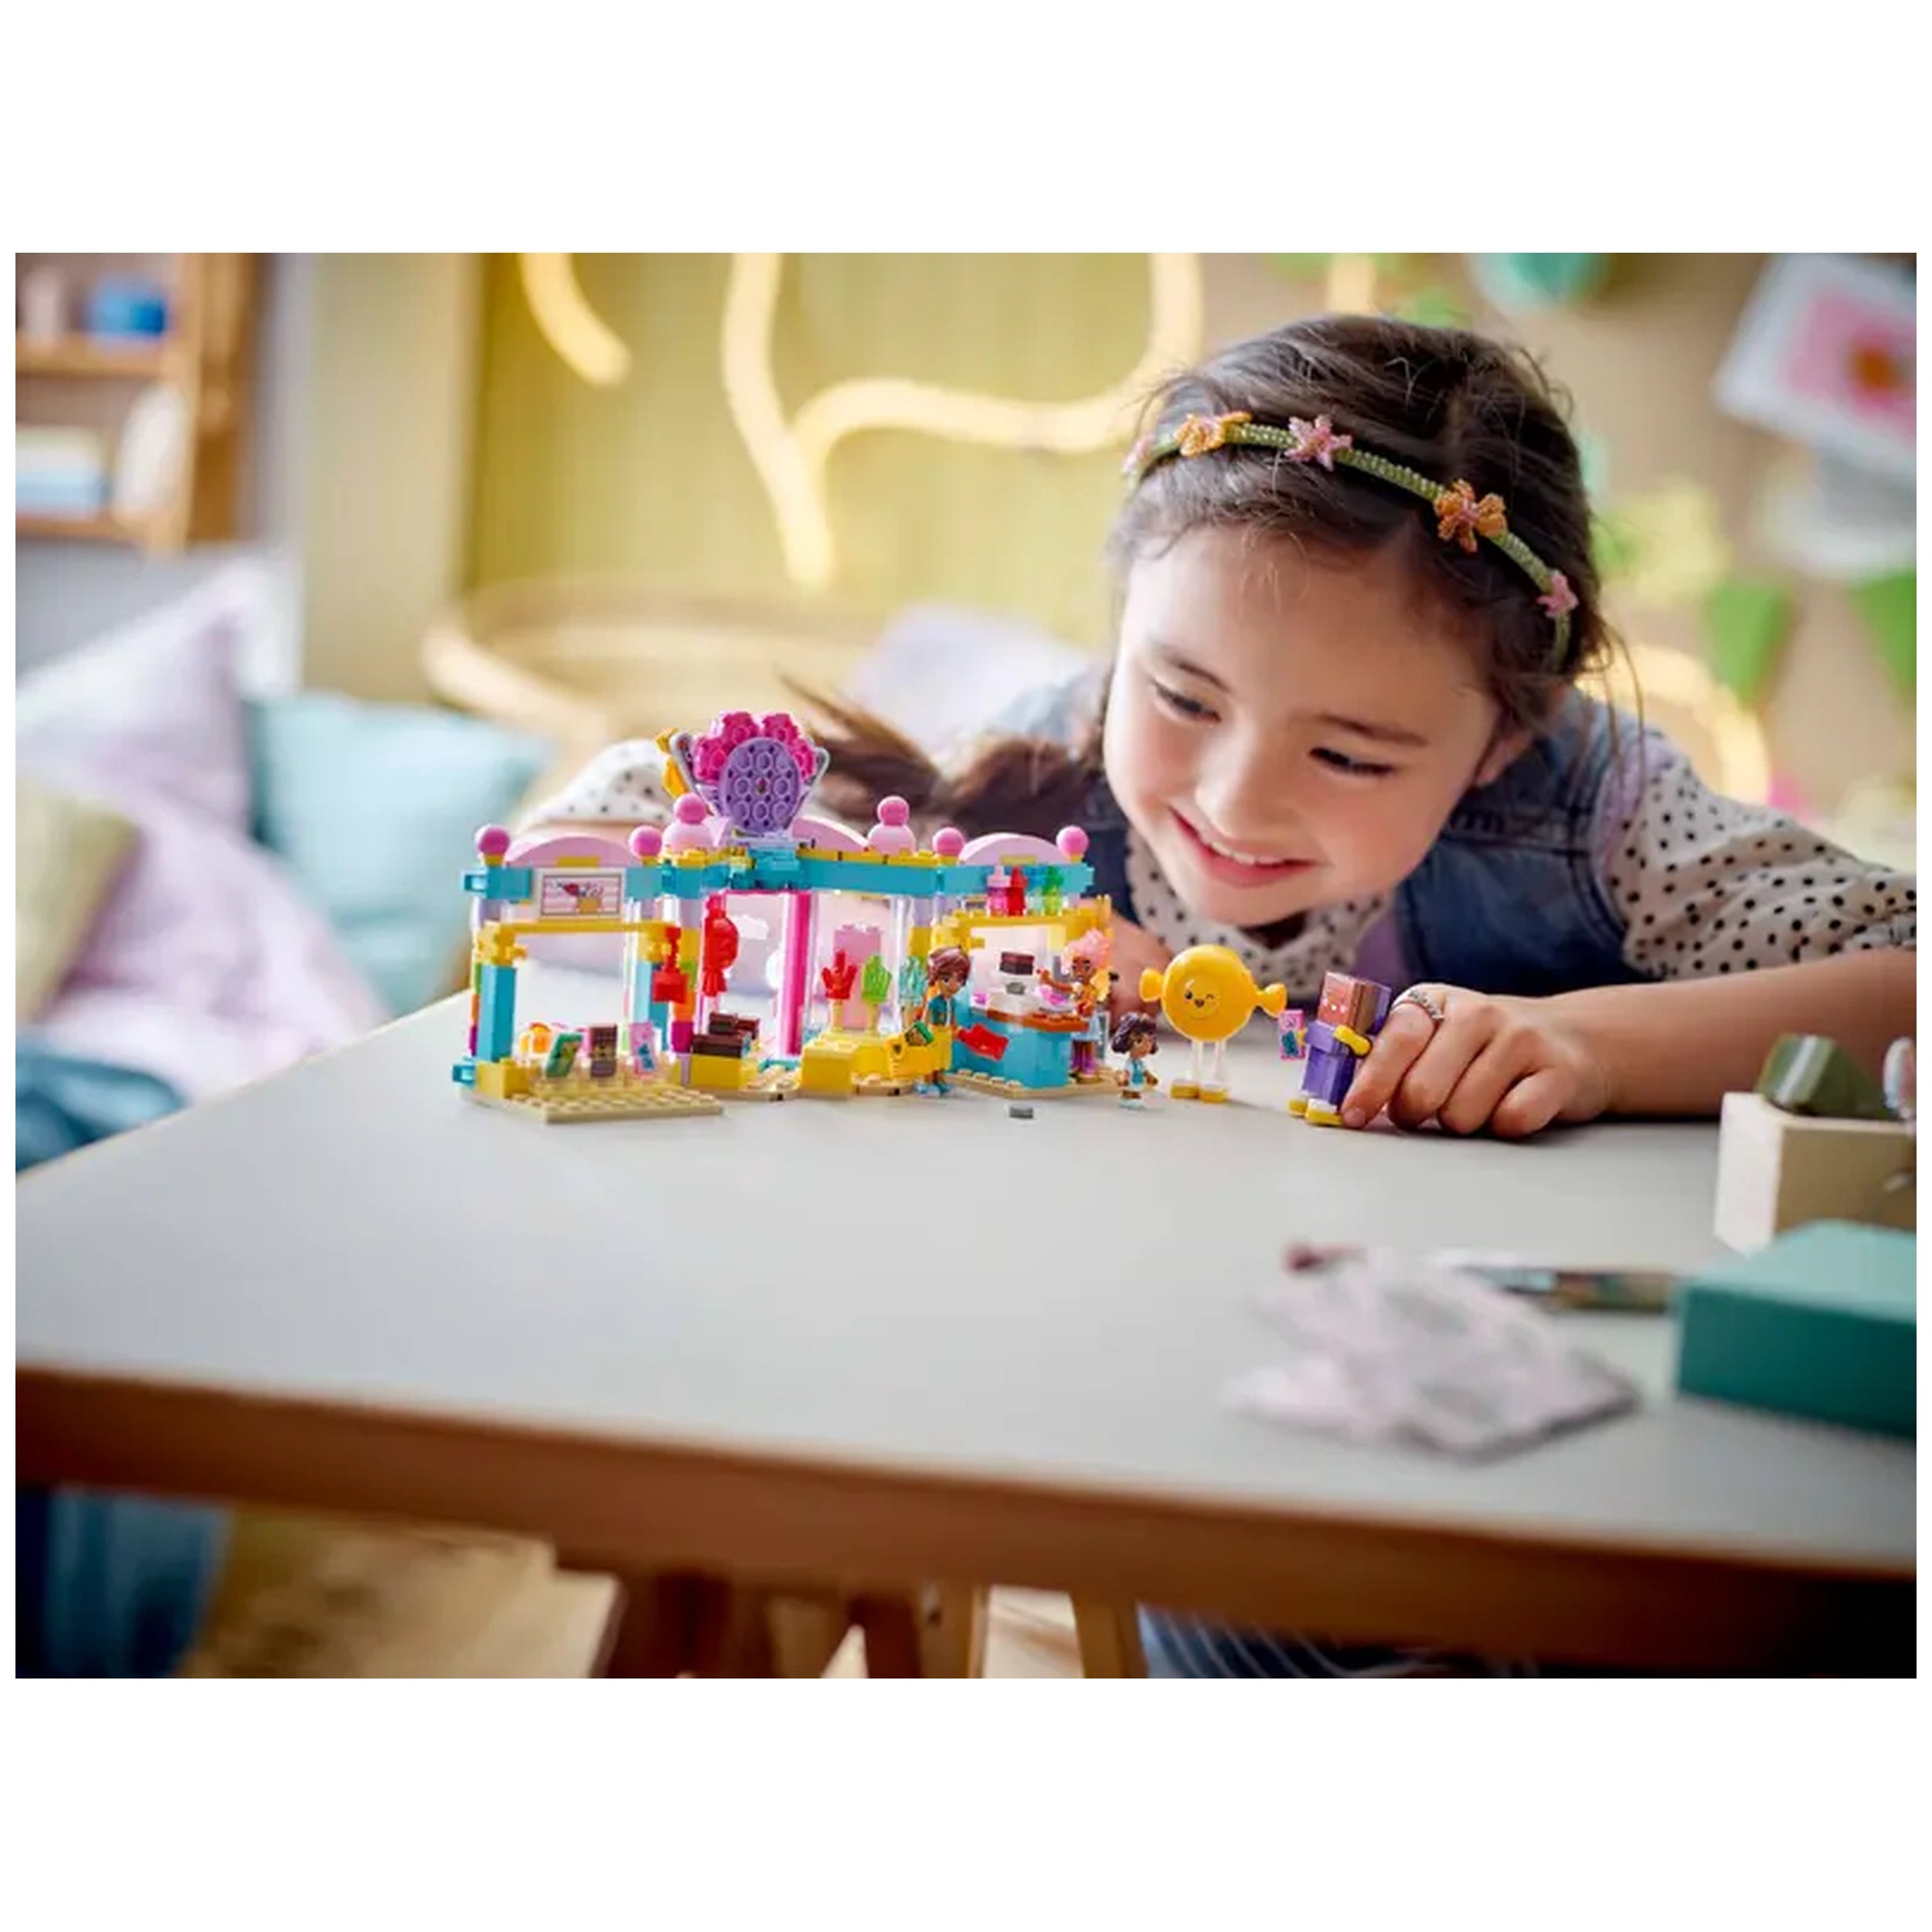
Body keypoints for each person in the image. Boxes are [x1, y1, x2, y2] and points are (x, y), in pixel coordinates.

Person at [801, 314, 1915, 1675]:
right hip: (1184, 1431)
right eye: (1182, 696)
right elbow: (659, 841)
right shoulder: (1043, 758)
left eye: (1348, 753)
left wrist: (1592, 1042)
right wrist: (981, 950)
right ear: (1125, 624)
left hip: (1585, 1461)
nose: (1231, 800)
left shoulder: (1599, 811)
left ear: (1507, 735)